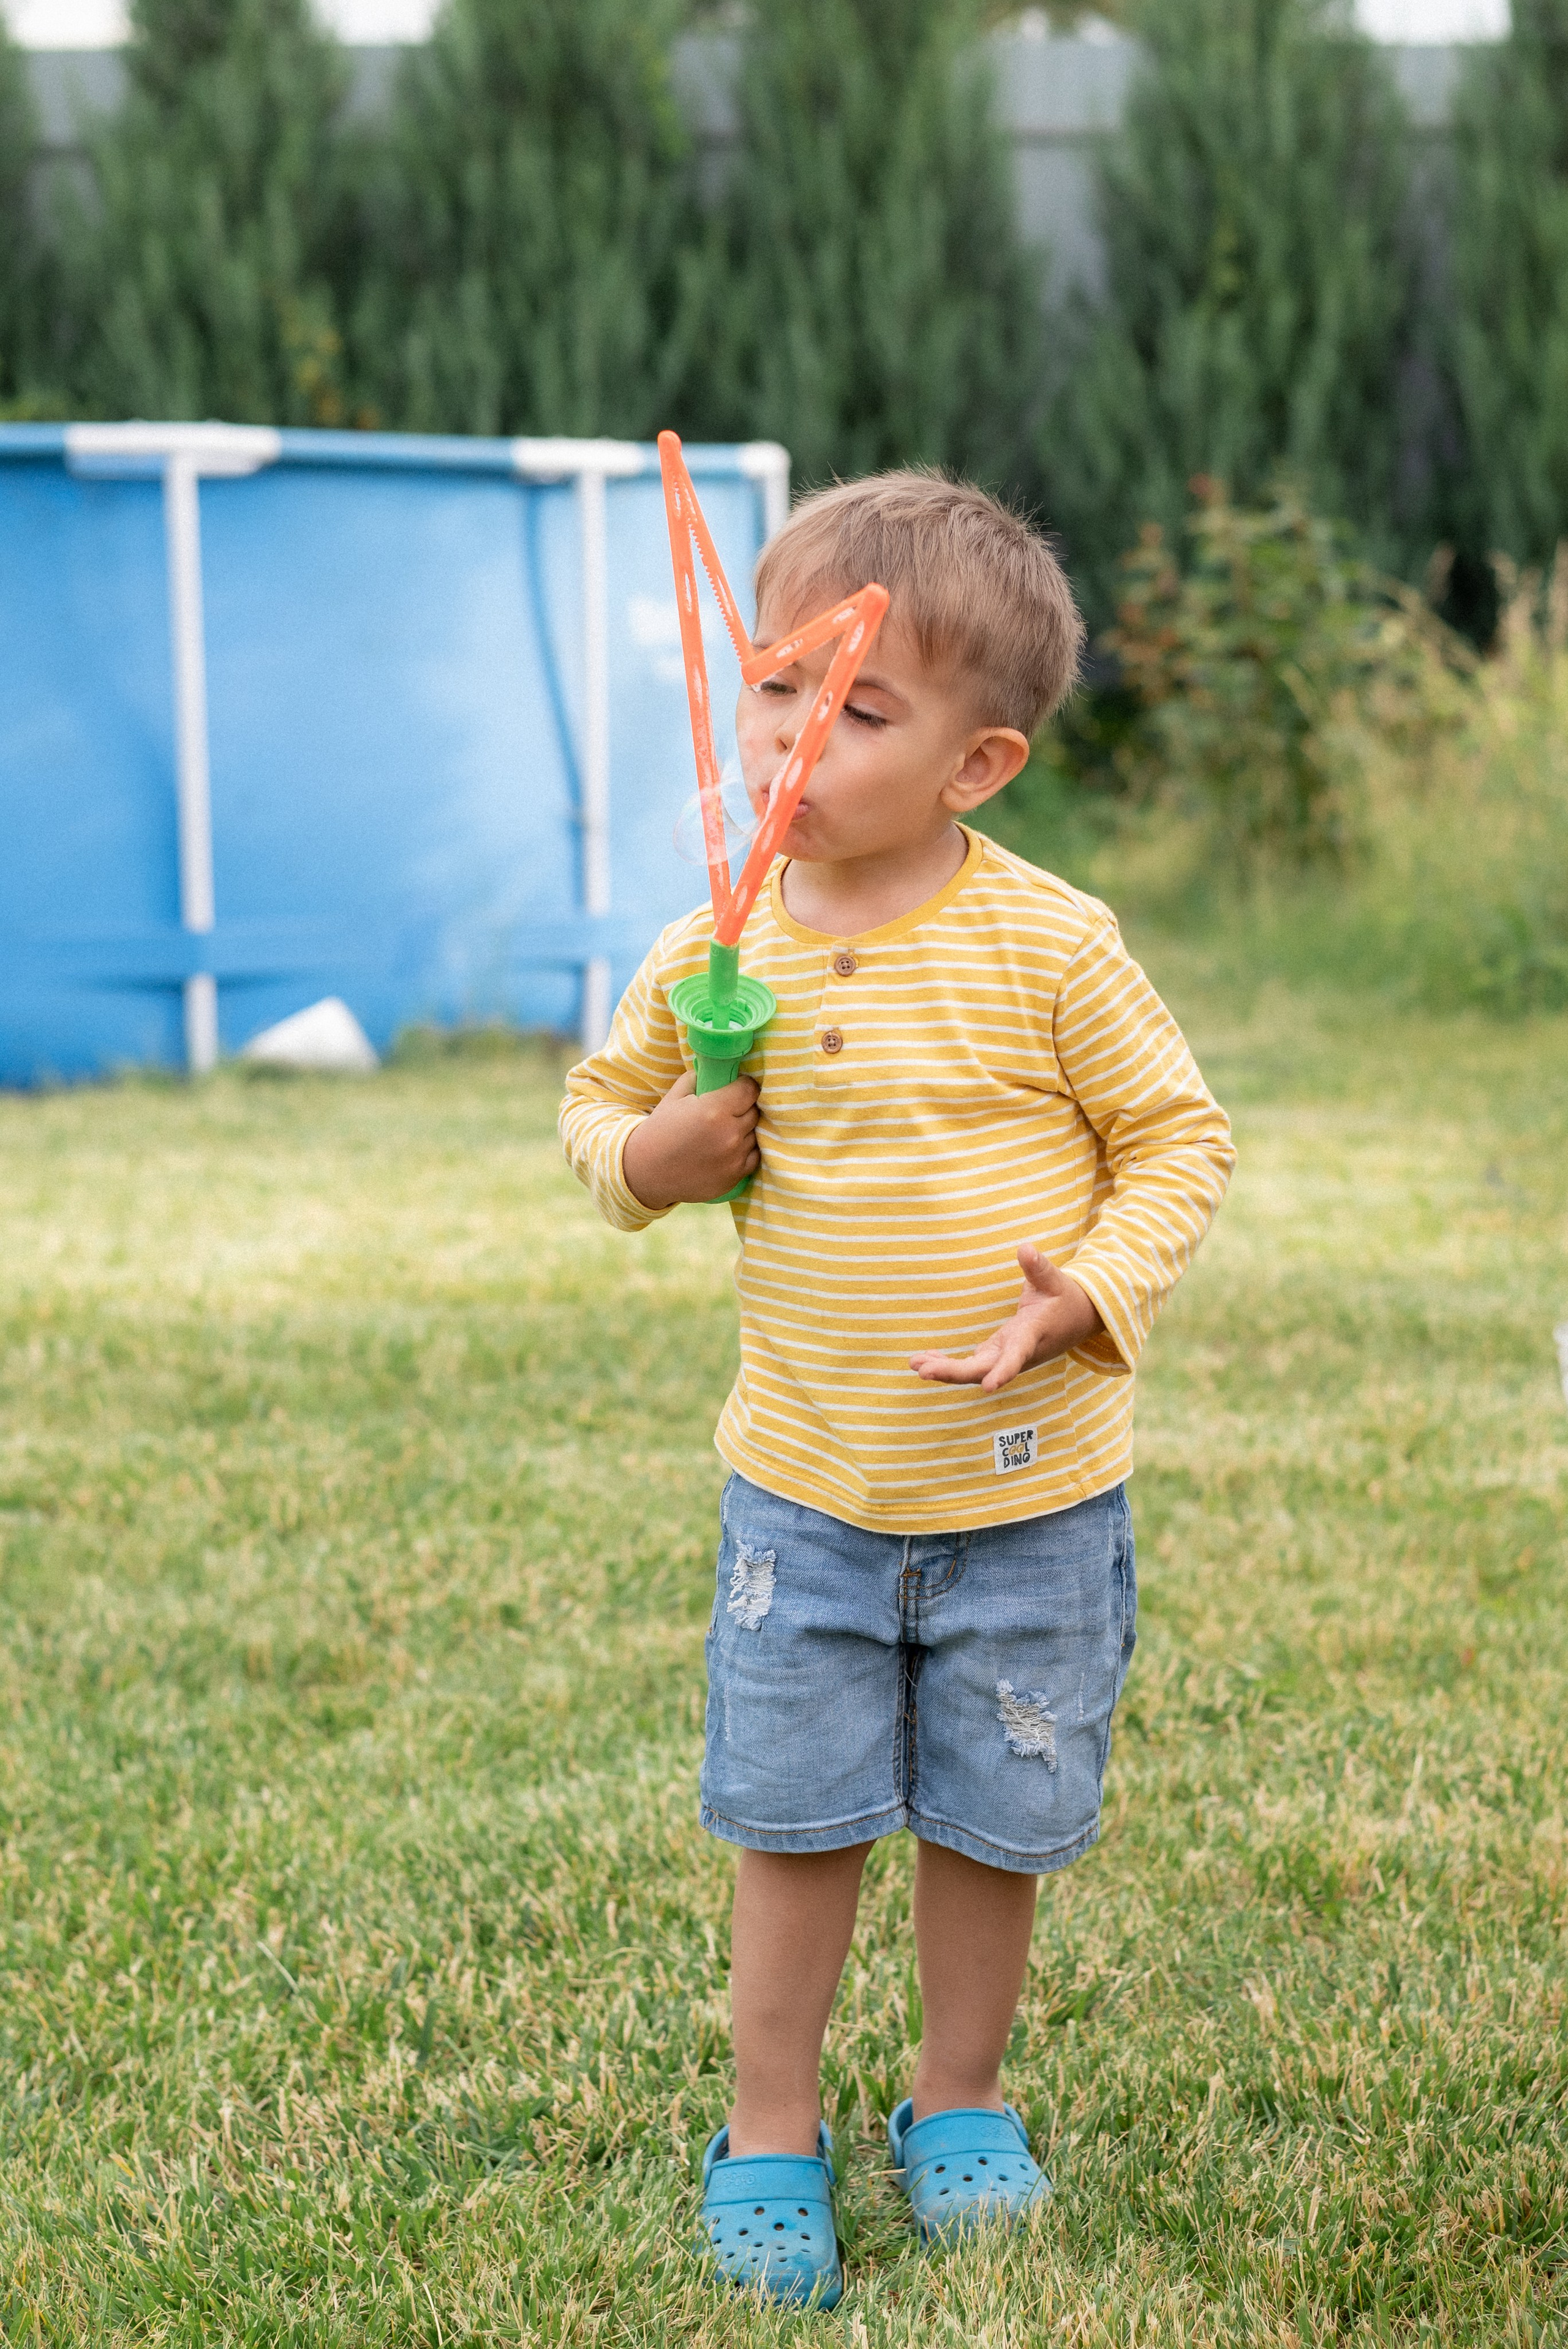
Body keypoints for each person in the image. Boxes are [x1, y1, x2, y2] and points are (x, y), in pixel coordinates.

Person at [559, 470, 1235, 2308]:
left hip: (1029, 1493)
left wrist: (1089, 1291)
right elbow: (599, 1110)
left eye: (858, 706)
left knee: (992, 1823)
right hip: (809, 1491)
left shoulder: (1051, 944)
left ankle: (960, 2096)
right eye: (778, 682)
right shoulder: (727, 936)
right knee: (792, 1819)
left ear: (978, 763)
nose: (794, 730)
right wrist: (659, 1155)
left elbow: (1178, 1137)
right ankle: (770, 2125)